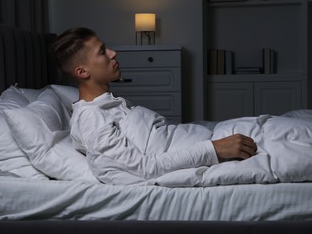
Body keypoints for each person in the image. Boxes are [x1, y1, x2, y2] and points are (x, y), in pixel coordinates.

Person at [52, 27, 257, 185]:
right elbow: (144, 167)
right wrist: (215, 149)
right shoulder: (91, 118)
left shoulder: (106, 103)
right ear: (82, 72)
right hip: (219, 147)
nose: (113, 53)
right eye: (103, 52)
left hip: (213, 136)